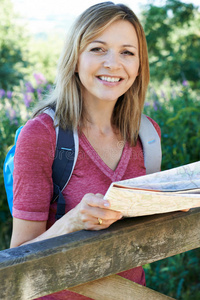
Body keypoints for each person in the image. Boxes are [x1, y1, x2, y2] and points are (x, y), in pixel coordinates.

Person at [10, 2, 161, 299]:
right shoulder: (41, 135)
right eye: (98, 49)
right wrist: (72, 222)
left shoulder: (148, 134)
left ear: (139, 65)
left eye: (127, 53)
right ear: (75, 58)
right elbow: (17, 259)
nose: (113, 64)